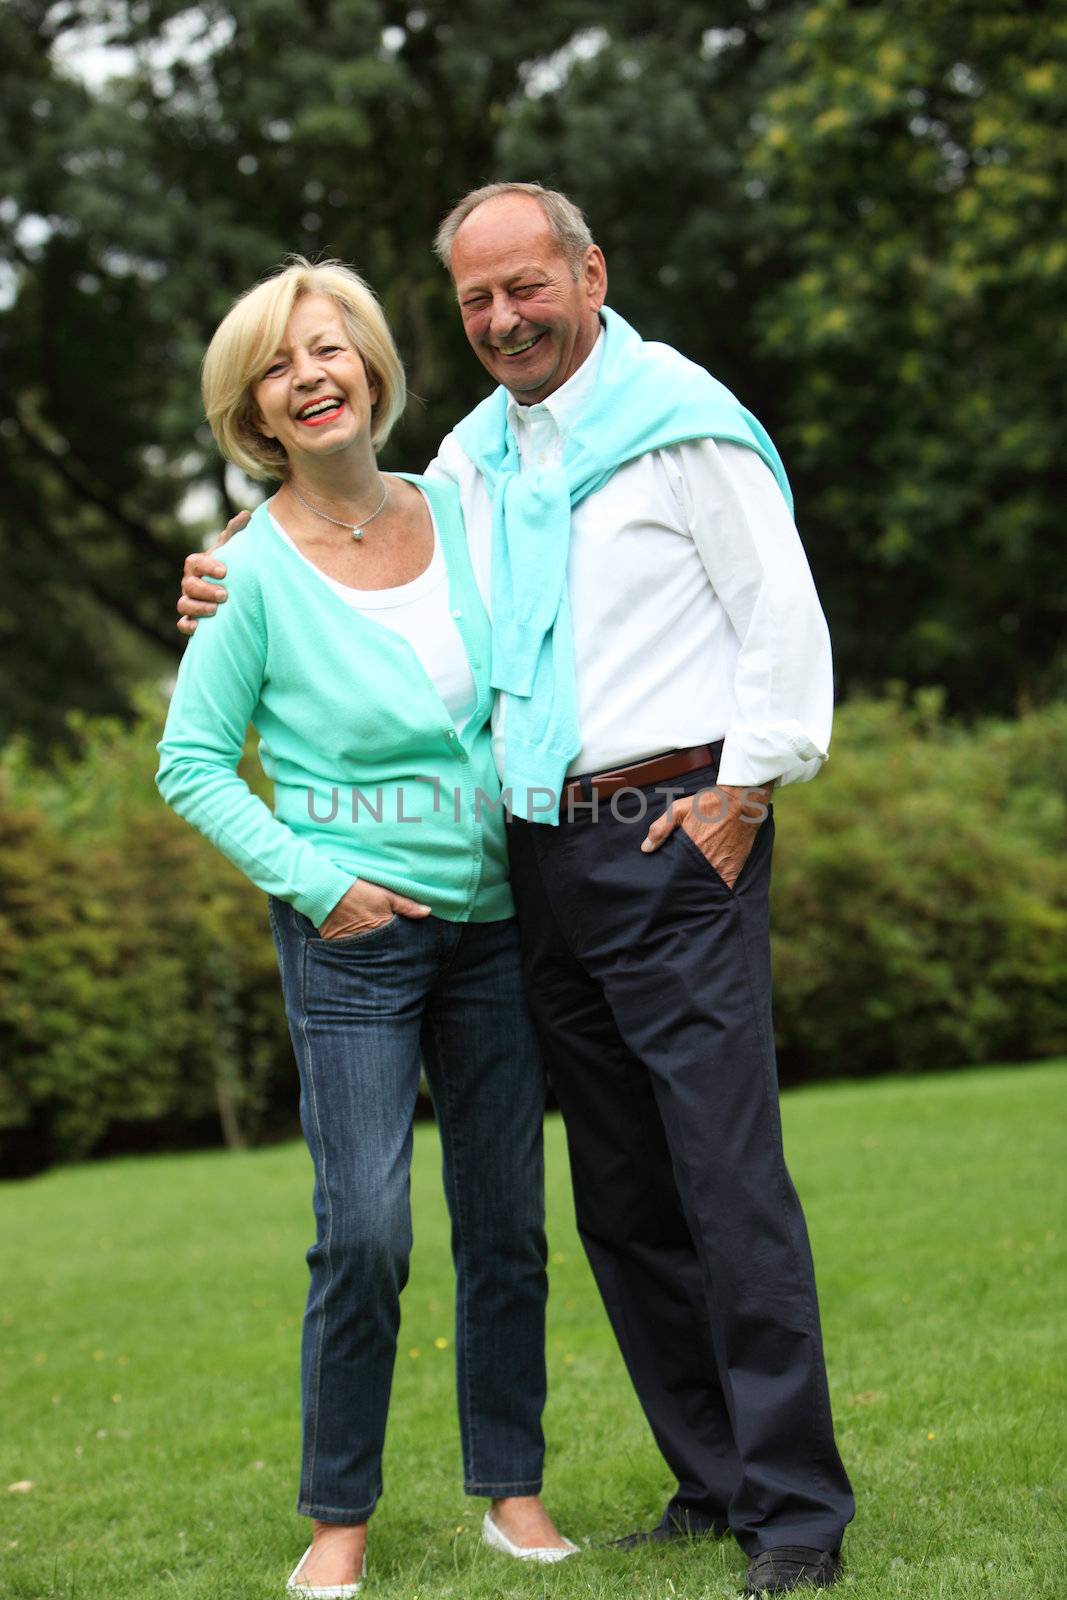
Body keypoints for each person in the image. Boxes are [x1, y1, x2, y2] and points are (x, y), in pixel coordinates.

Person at [178, 186, 855, 1596]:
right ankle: (713, 1481)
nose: (506, 319)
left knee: (726, 1185)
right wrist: (216, 569)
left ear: (591, 273)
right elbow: (345, 544)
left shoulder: (682, 421)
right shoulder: (477, 461)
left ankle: (795, 1511)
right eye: (478, 300)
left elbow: (779, 614)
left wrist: (752, 784)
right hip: (537, 857)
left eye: (527, 287)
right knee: (616, 1191)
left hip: (679, 832)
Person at [156, 258, 577, 1597]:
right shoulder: (242, 572)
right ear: (257, 412)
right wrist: (317, 881)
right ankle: (336, 1523)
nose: (311, 375)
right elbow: (192, 763)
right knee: (366, 1234)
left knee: (506, 1221)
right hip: (351, 944)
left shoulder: (467, 508)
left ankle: (511, 1495)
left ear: (377, 369)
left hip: (498, 924)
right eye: (280, 367)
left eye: (330, 349)